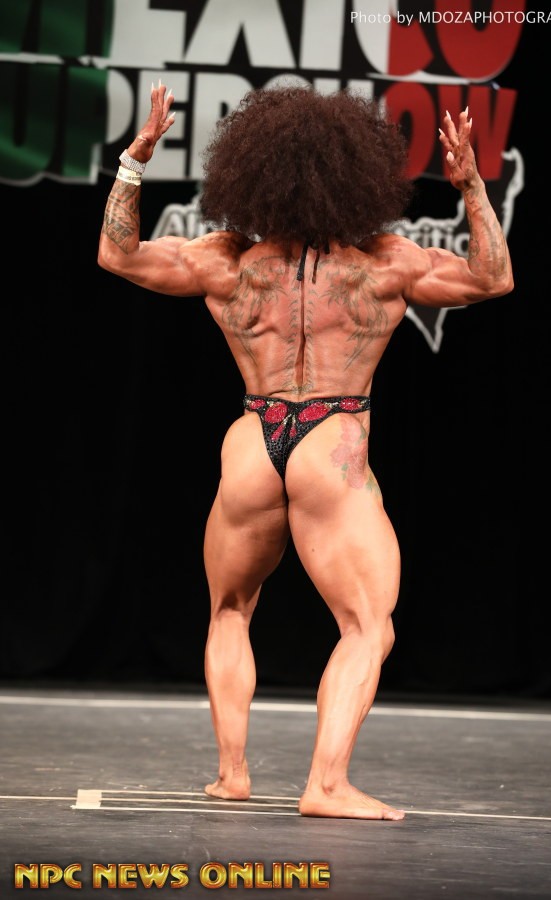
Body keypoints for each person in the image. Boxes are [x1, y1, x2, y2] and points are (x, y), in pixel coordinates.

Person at [98, 82, 513, 821]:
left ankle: (232, 775)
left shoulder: (226, 262)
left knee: (229, 610)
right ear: (357, 179)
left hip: (252, 441)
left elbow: (116, 254)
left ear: (252, 175)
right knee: (367, 626)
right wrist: (472, 187)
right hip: (333, 440)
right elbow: (493, 277)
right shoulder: (384, 265)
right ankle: (326, 785)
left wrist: (136, 159)